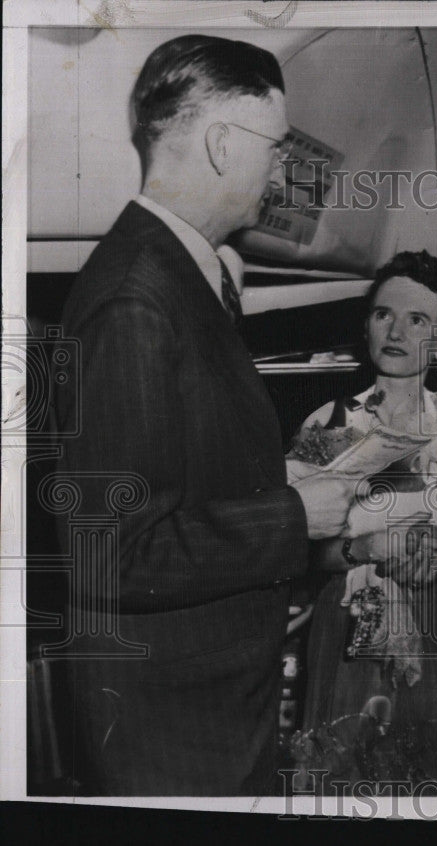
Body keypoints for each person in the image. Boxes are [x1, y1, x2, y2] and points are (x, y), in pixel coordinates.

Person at [54, 35, 351, 796]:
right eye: (276, 146)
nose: (283, 169)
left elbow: (175, 477)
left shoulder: (179, 274)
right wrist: (293, 516)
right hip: (174, 729)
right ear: (223, 143)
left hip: (203, 706)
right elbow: (114, 551)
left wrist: (277, 479)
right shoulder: (136, 297)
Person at [288, 250, 437, 791]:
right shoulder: (330, 423)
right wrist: (369, 546)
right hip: (348, 623)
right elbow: (300, 539)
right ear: (367, 323)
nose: (397, 331)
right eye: (384, 314)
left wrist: (379, 513)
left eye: (418, 320)